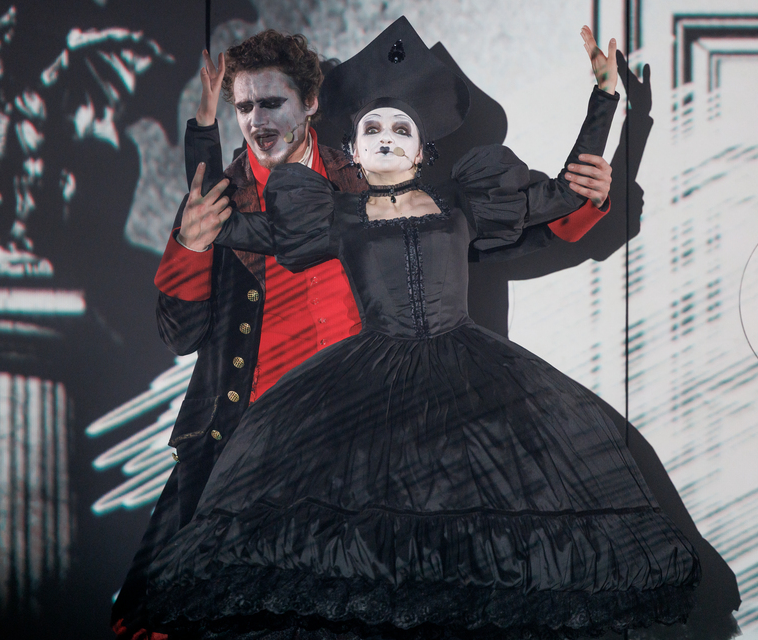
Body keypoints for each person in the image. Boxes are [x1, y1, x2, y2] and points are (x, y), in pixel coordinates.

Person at [141, 17, 700, 640]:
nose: (257, 119)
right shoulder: (313, 210)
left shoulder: (447, 200)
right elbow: (204, 250)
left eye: (271, 102)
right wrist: (198, 168)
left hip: (442, 401)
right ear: (355, 146)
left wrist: (603, 109)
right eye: (243, 107)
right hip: (318, 417)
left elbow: (553, 205)